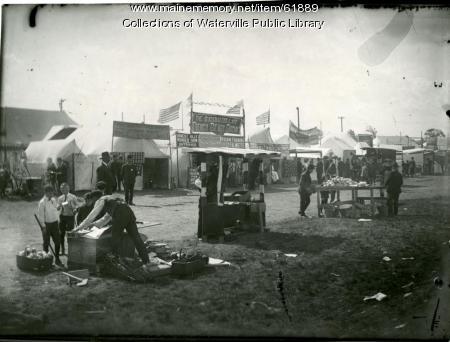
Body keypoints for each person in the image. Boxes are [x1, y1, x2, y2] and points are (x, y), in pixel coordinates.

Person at [74, 193, 149, 264]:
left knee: (115, 238)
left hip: (120, 215)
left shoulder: (100, 200)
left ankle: (116, 262)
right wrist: (93, 224)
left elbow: (91, 216)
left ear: (94, 198)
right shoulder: (111, 199)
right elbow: (106, 218)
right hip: (129, 213)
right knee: (136, 238)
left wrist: (78, 228)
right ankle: (146, 261)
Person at [37, 185, 62, 266]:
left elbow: (55, 209)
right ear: (46, 192)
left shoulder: (54, 200)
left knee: (57, 241)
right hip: (46, 225)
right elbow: (40, 216)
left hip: (55, 223)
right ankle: (46, 260)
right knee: (46, 243)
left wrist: (59, 207)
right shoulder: (42, 203)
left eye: (52, 192)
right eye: (50, 192)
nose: (51, 194)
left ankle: (57, 258)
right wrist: (43, 227)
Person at [57, 183, 79, 255]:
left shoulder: (73, 197)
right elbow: (58, 207)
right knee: (61, 234)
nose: (63, 190)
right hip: (62, 216)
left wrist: (75, 209)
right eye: (62, 189)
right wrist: (59, 206)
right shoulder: (60, 198)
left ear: (68, 189)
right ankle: (62, 250)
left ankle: (71, 250)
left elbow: (77, 206)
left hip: (70, 217)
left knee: (70, 234)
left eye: (65, 189)